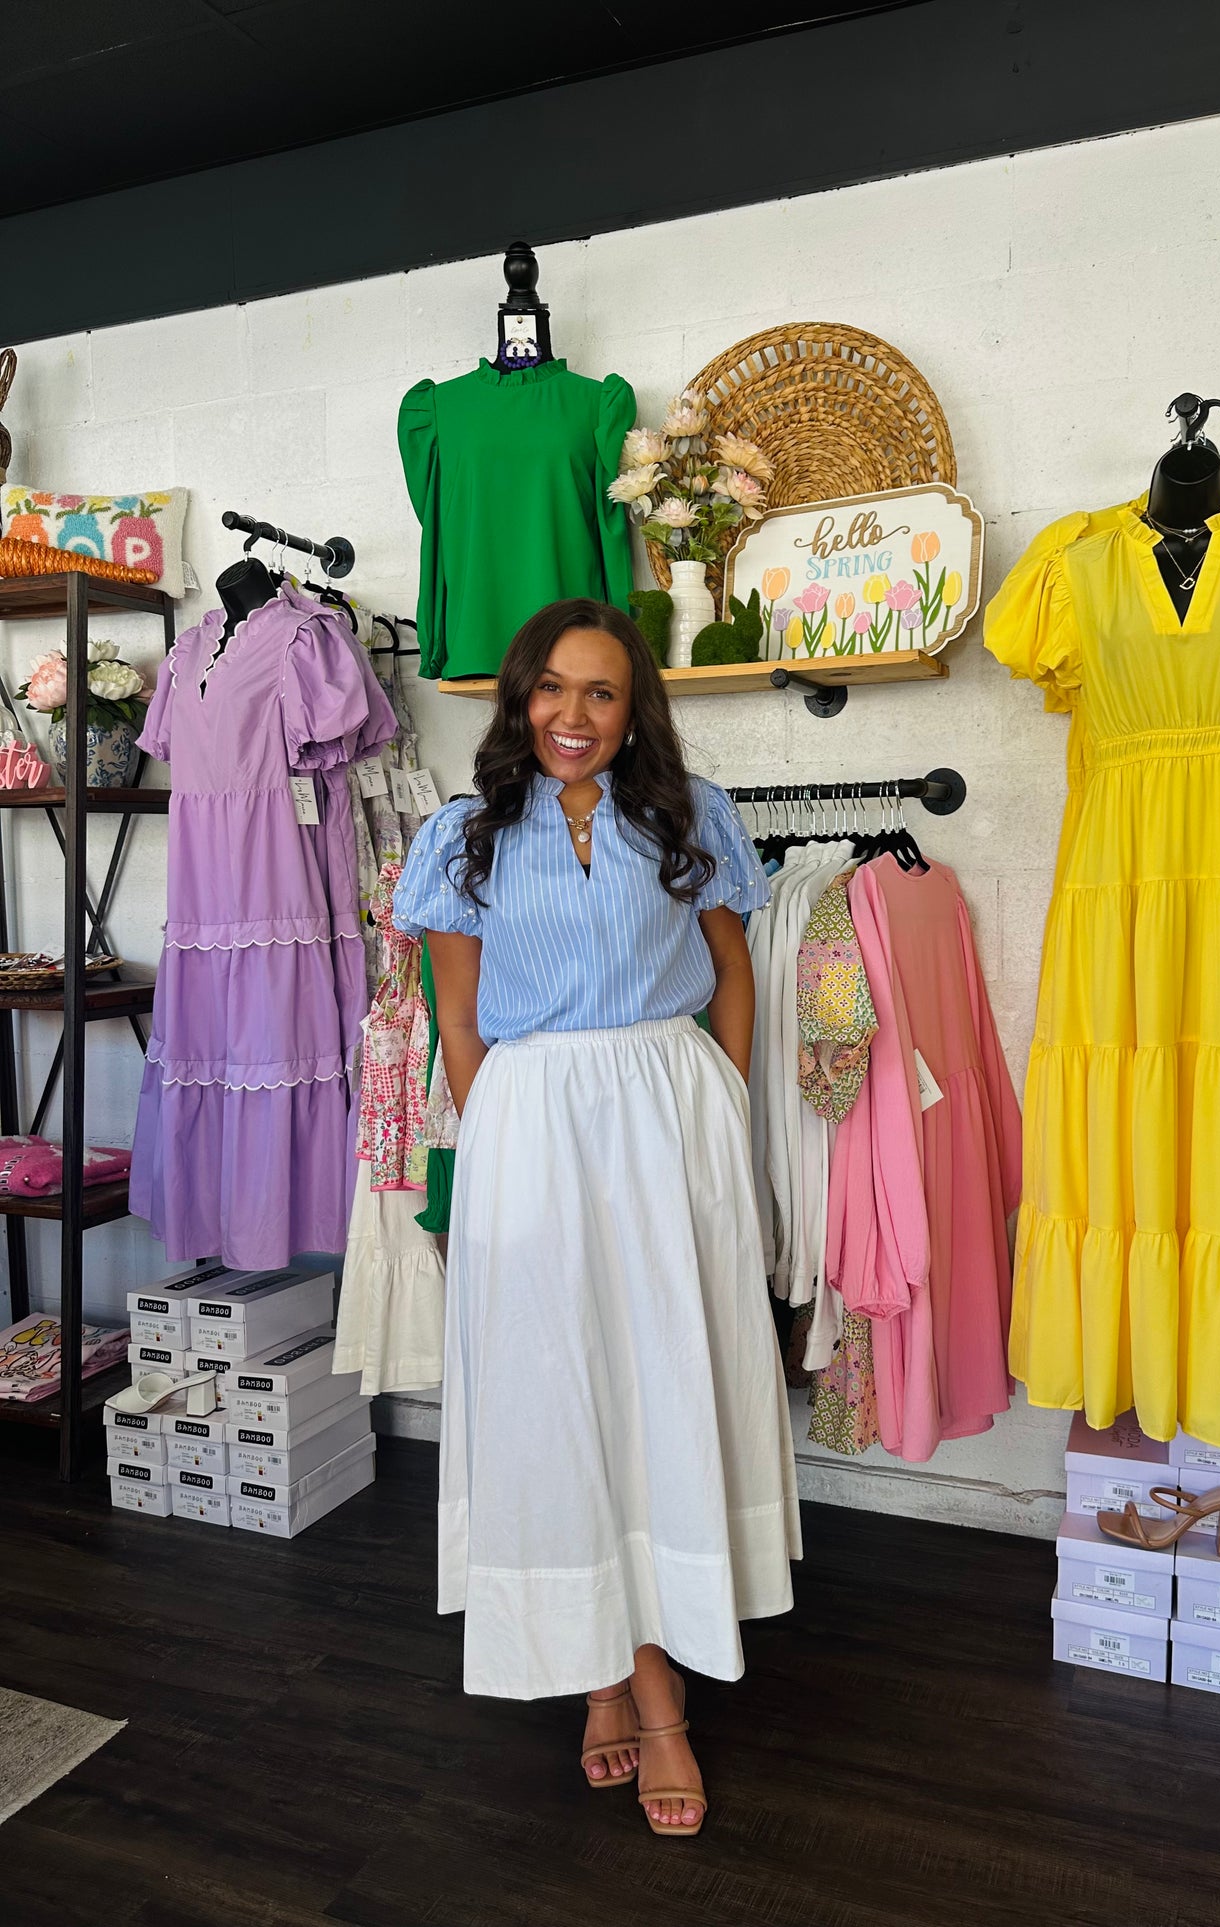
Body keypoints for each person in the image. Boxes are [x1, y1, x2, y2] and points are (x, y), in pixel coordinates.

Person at [393, 597, 800, 1839]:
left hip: (668, 1115)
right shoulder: (464, 837)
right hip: (531, 1124)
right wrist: (506, 1147)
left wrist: (719, 1107)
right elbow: (460, 1023)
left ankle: (661, 1680)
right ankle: (598, 1672)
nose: (573, 716)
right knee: (552, 1393)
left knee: (663, 1381)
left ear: (637, 710)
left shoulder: (690, 813)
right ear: (520, 698)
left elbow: (730, 974)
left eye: (602, 693)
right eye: (552, 690)